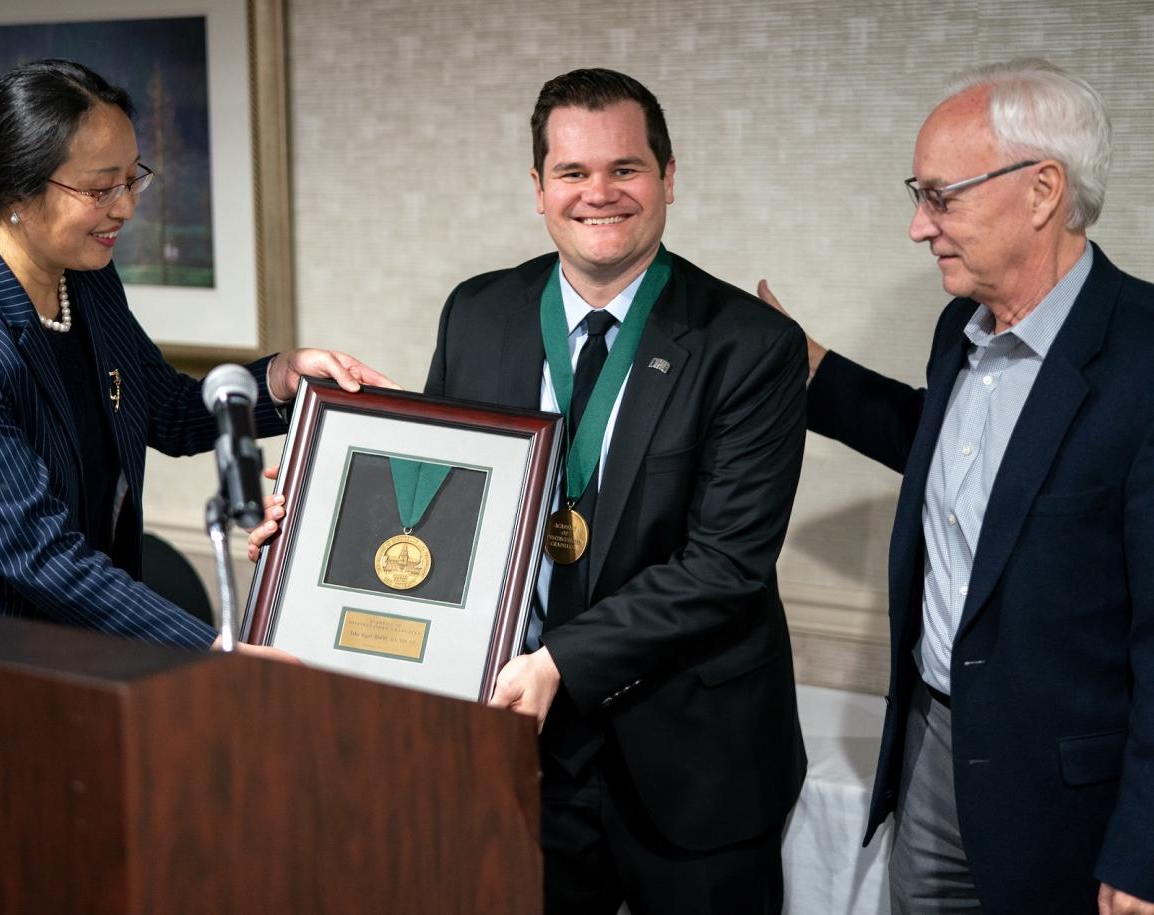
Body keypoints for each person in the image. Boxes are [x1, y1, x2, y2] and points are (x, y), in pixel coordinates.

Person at [265, 67, 808, 914]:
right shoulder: (477, 313)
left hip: (692, 755)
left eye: (625, 169)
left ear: (669, 177)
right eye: (573, 173)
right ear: (539, 188)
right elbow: (449, 503)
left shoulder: (749, 344)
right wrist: (323, 511)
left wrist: (561, 660)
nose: (600, 193)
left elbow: (725, 565)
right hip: (519, 742)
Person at [760, 58, 1154, 915]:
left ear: (1042, 189)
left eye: (941, 196)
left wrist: (1144, 844)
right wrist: (814, 370)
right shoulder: (958, 327)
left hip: (1069, 798)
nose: (917, 226)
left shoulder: (1145, 358)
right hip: (934, 745)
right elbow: (954, 454)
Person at [0, 59, 390, 651]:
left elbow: (168, 409)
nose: (126, 208)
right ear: (17, 190)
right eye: (99, 188)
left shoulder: (85, 282)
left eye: (132, 180)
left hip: (59, 652)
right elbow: (37, 550)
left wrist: (281, 378)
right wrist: (216, 653)